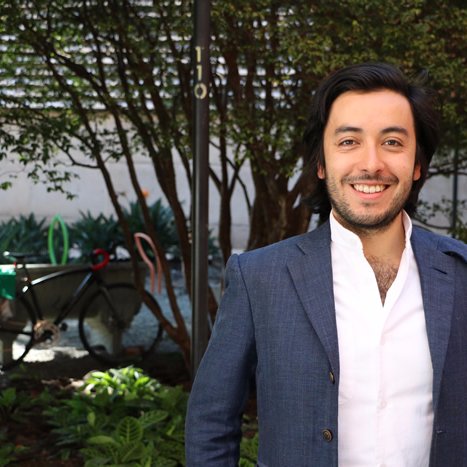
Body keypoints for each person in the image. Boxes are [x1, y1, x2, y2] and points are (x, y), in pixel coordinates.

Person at [185, 63, 467, 467]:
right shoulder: (260, 279)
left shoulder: (460, 274)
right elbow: (210, 425)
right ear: (321, 163)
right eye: (349, 141)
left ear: (417, 163)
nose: (371, 163)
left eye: (392, 142)